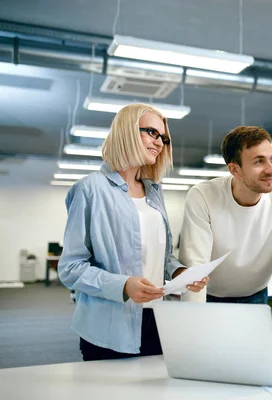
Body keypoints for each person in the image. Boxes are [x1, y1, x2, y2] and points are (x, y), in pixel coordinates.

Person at [58, 104, 207, 361]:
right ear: (126, 131)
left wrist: (180, 273)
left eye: (163, 137)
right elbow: (70, 268)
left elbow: (160, 255)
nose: (159, 142)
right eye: (151, 132)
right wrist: (123, 286)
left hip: (155, 320)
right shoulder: (90, 190)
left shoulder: (154, 193)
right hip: (108, 326)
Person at [179, 126, 272, 350]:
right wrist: (193, 329)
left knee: (253, 367)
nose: (270, 170)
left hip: (255, 297)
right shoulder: (203, 196)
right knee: (208, 363)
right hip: (209, 299)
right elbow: (195, 269)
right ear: (235, 169)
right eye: (259, 162)